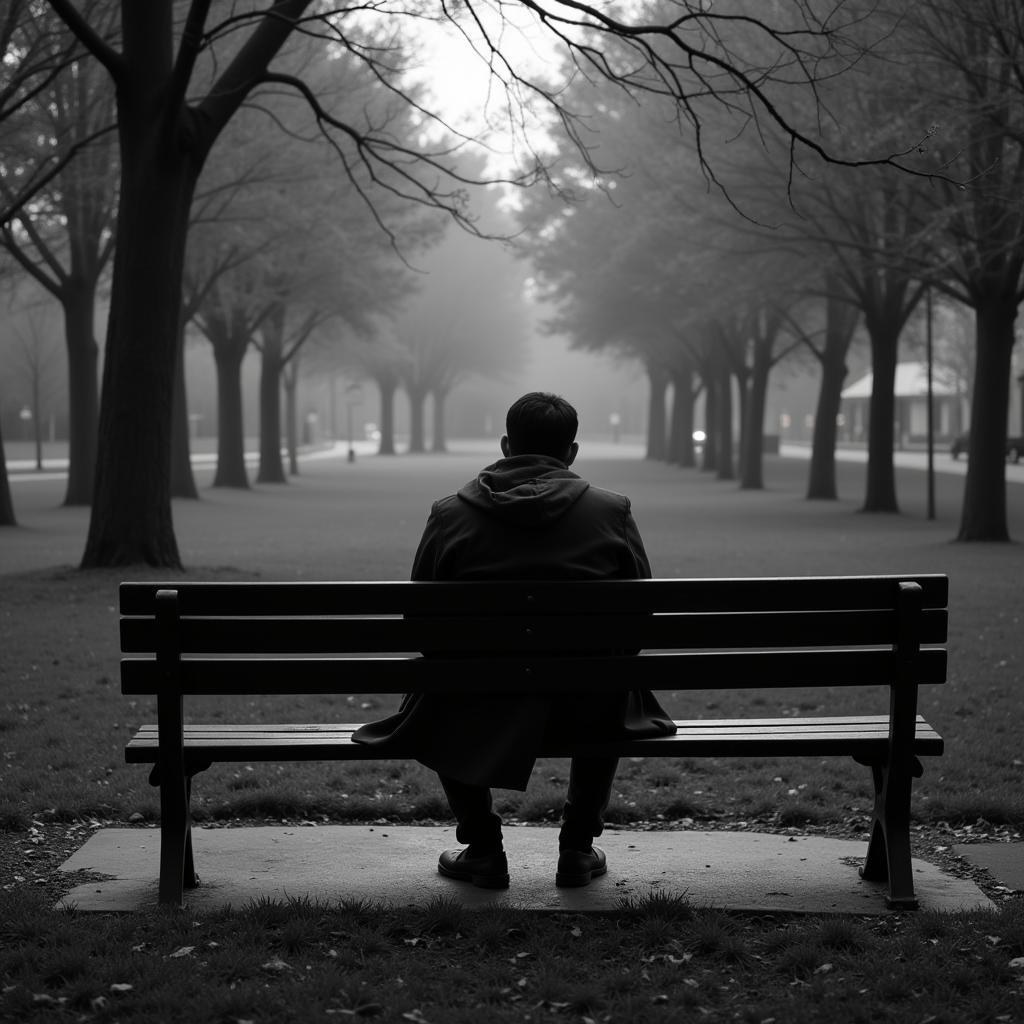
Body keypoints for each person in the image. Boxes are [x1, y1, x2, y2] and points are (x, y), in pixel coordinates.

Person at [352, 392, 675, 889]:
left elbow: (418, 621)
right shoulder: (612, 511)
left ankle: (482, 847)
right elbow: (641, 615)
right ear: (571, 452)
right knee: (613, 679)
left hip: (478, 697)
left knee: (439, 687)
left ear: (506, 446)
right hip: (589, 699)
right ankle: (577, 848)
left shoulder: (449, 514)